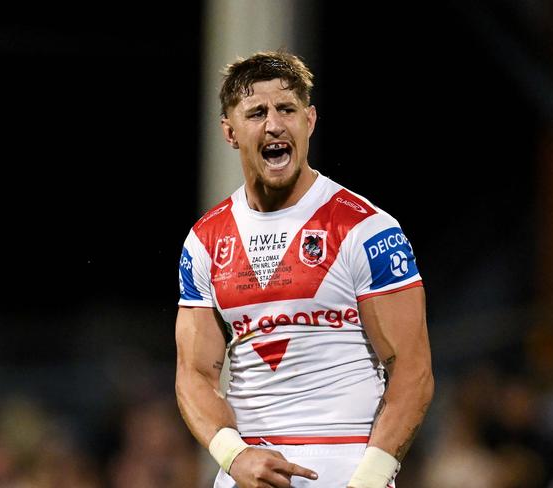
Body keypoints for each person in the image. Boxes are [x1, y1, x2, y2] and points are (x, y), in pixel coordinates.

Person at [175, 50, 434, 488]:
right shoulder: (204, 240)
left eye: (287, 109)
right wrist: (233, 455)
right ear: (230, 131)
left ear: (309, 121)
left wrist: (369, 479)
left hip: (346, 467)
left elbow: (412, 370)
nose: (274, 124)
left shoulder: (366, 229)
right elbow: (194, 372)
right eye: (256, 112)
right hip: (248, 470)